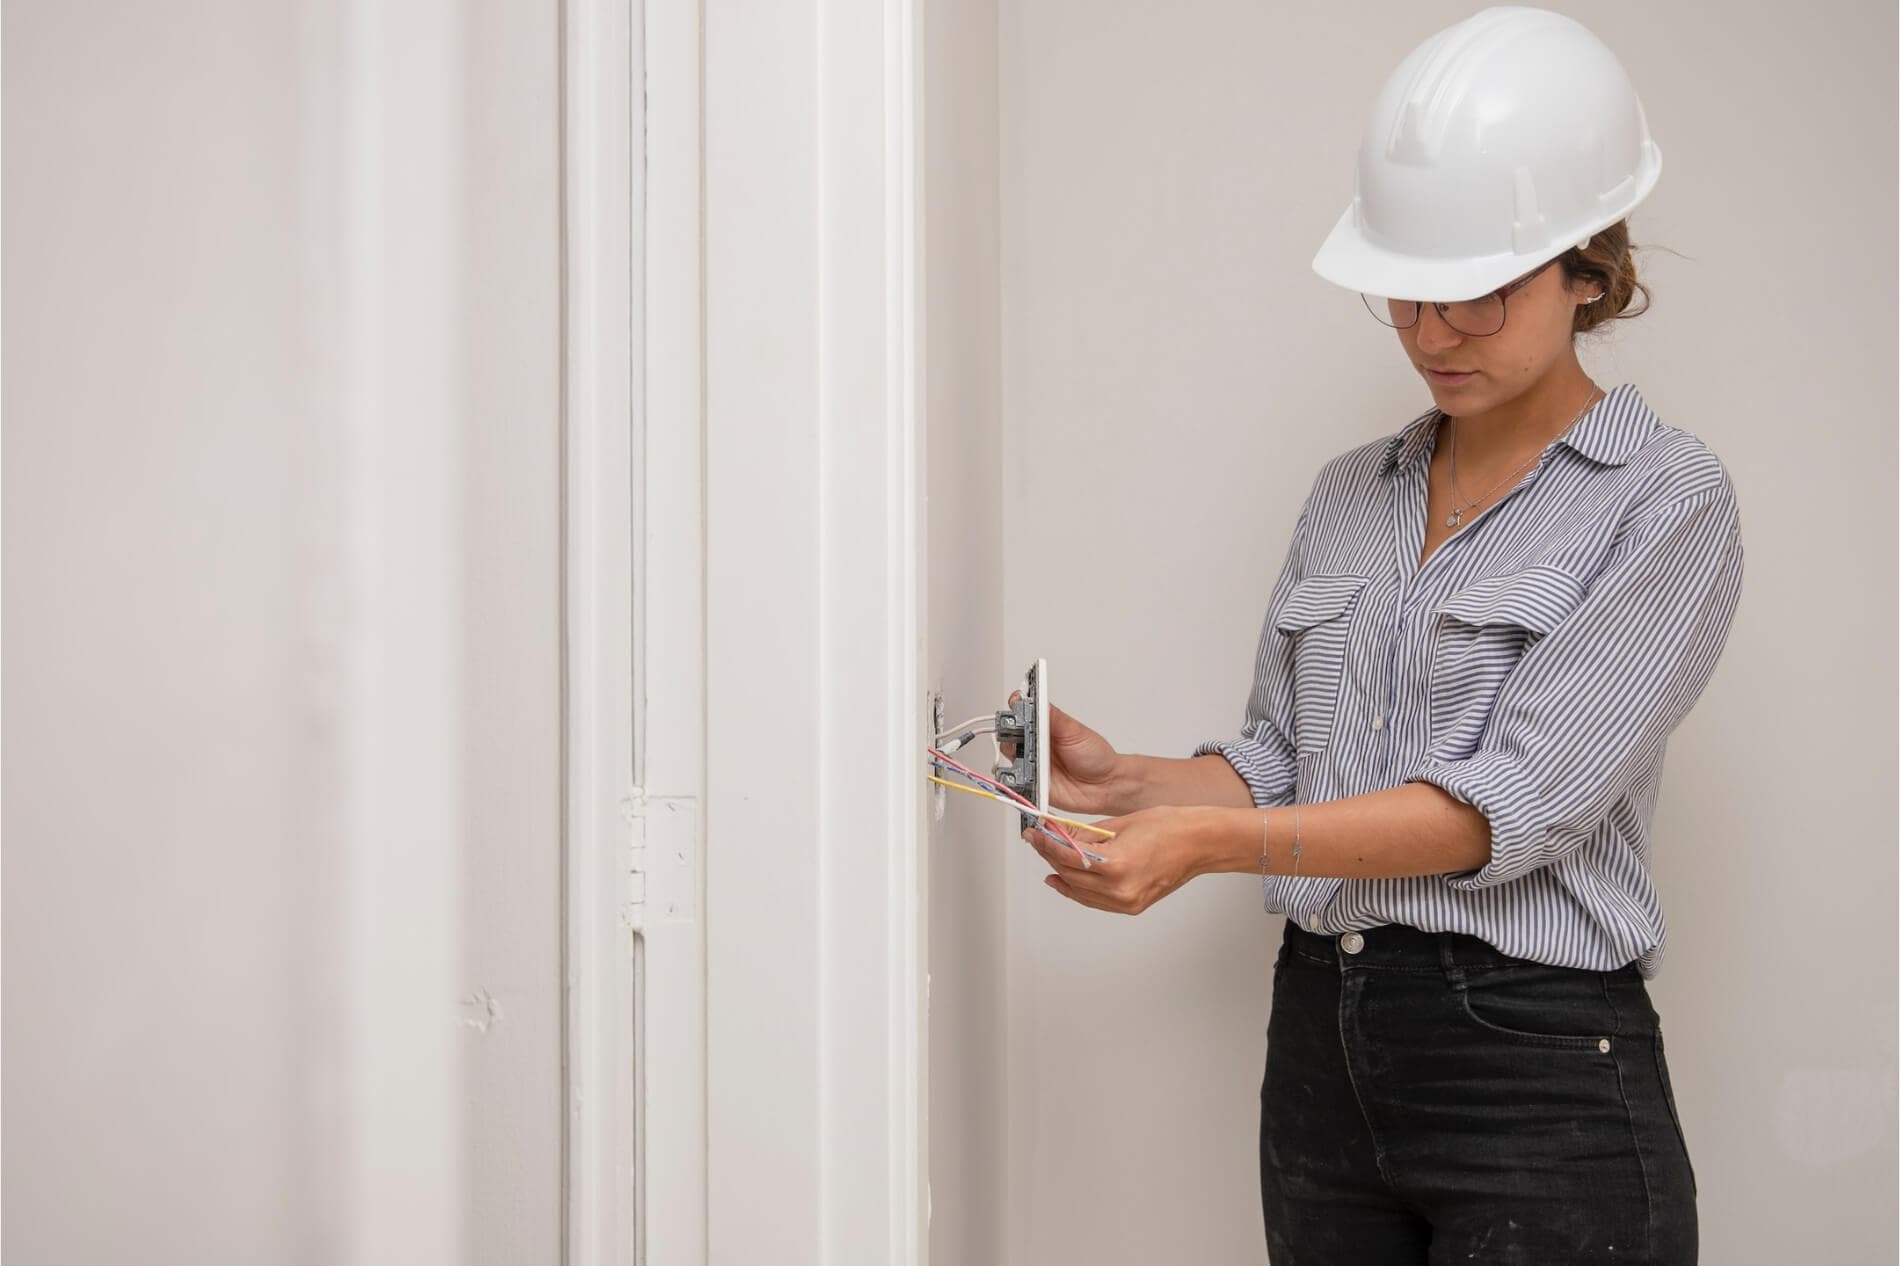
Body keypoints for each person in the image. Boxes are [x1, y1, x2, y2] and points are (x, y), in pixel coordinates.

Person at [1008, 7, 1742, 1263]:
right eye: (1403, 292)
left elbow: (1502, 810)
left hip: (1533, 1067)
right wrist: (1129, 786)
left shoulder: (1664, 500)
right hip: (1319, 1053)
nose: (1430, 333)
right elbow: (1286, 759)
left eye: (1475, 294)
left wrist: (1212, 845)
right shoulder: (1352, 493)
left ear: (1586, 268)